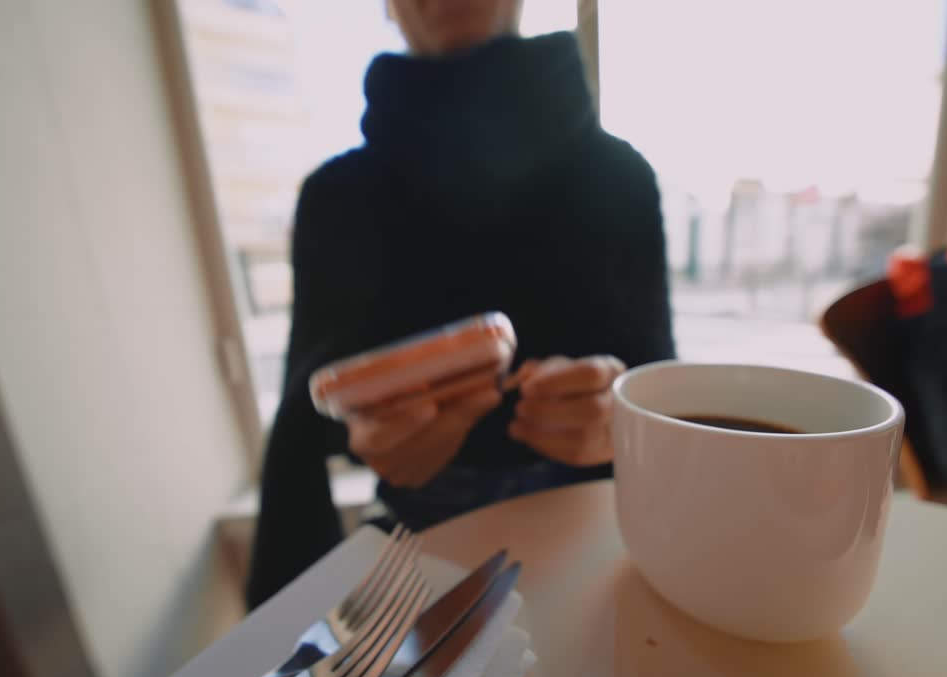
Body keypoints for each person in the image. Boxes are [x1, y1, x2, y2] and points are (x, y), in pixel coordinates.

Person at [245, 0, 676, 609]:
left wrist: (620, 414)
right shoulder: (334, 201)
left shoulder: (620, 178)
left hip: (603, 529)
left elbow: (662, 387)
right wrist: (364, 430)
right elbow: (308, 413)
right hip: (415, 556)